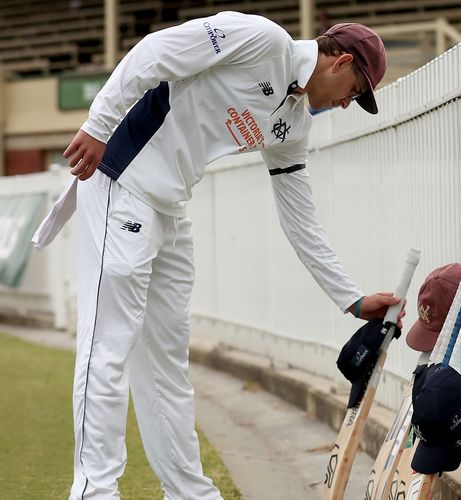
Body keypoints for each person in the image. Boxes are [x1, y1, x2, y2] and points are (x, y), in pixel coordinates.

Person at [60, 11, 404, 499]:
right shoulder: (262, 41)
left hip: (169, 207)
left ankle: (189, 493)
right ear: (340, 61)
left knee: (167, 366)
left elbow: (300, 220)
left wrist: (351, 299)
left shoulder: (294, 124)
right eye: (356, 90)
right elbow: (153, 52)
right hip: (119, 179)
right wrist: (98, 125)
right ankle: (94, 492)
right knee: (108, 348)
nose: (350, 104)